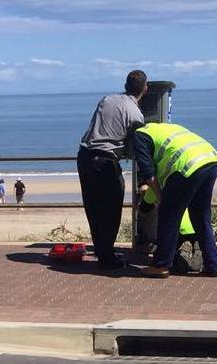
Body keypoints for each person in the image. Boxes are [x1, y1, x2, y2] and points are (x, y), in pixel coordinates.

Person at [132, 122, 217, 278]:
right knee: (201, 215)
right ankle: (213, 264)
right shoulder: (163, 129)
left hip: (187, 166)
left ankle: (161, 265)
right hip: (210, 159)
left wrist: (159, 200)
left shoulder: (138, 136)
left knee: (168, 217)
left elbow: (150, 176)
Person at [77, 70, 147, 269]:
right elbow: (135, 147)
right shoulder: (136, 114)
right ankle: (106, 257)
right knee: (111, 209)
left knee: (93, 208)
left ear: (125, 85)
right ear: (145, 88)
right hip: (106, 161)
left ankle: (102, 251)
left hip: (84, 156)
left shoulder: (107, 99)